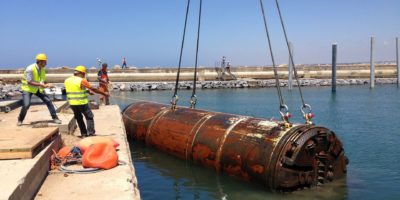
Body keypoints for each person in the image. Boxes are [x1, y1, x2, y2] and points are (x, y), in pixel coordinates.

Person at [64, 65, 109, 137]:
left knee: (79, 118)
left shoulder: (67, 80)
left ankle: (84, 134)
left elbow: (75, 89)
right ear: (80, 73)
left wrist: (87, 92)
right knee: (89, 117)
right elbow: (93, 89)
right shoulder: (81, 80)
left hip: (72, 103)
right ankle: (90, 133)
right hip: (81, 103)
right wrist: (104, 93)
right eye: (84, 74)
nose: (84, 75)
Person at [17, 53, 61, 126]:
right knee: (26, 105)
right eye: (45, 61)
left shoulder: (42, 69)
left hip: (38, 88)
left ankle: (55, 117)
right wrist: (41, 85)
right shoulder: (30, 69)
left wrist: (47, 85)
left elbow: (41, 80)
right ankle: (20, 119)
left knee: (48, 101)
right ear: (40, 61)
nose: (46, 63)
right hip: (28, 89)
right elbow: (29, 81)